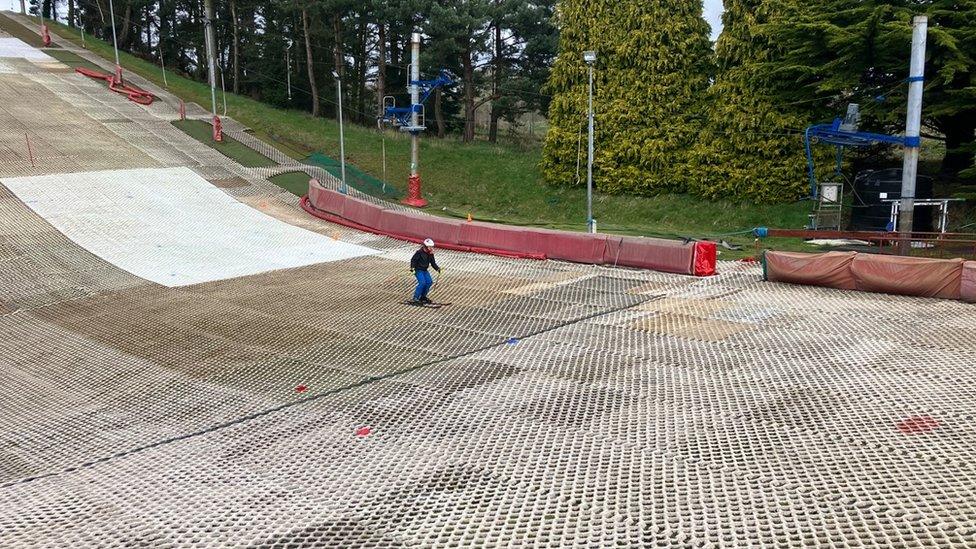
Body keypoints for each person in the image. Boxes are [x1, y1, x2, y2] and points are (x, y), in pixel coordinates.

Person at [410, 238, 441, 304]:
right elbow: (413, 260)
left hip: (425, 270)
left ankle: (423, 297)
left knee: (429, 282)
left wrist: (437, 269)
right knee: (422, 283)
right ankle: (415, 298)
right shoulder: (419, 253)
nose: (431, 248)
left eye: (432, 247)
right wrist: (412, 268)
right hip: (418, 270)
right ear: (426, 246)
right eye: (430, 247)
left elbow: (433, 263)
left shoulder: (430, 254)